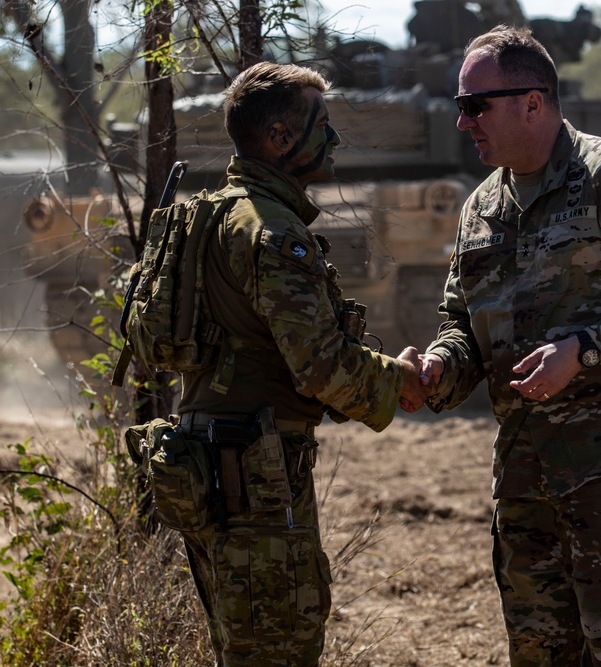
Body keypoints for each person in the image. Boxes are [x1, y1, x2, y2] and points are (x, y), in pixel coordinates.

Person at [415, 26, 601, 666]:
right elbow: (462, 322)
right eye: (459, 105)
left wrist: (584, 348)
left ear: (533, 102)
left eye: (476, 104)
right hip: (525, 479)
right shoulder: (480, 209)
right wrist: (442, 364)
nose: (463, 120)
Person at [171, 61, 428, 666]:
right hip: (256, 476)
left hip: (205, 463)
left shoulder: (210, 215)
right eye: (324, 124)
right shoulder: (272, 233)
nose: (336, 140)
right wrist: (403, 380)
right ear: (281, 139)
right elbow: (321, 368)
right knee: (278, 647)